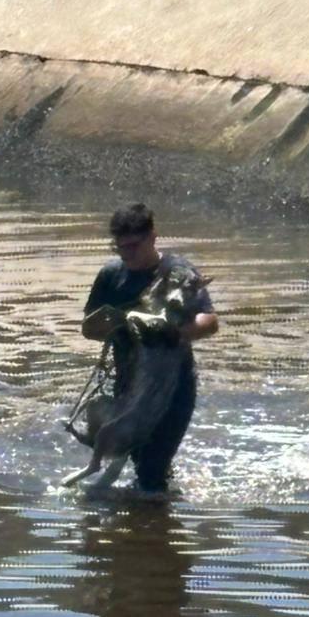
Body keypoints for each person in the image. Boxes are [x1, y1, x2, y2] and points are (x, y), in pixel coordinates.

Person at [82, 203, 218, 493]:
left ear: (153, 236)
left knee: (149, 472)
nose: (127, 254)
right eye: (120, 248)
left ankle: (153, 524)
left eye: (134, 246)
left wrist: (171, 331)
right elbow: (88, 328)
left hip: (173, 387)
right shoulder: (111, 276)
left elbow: (209, 322)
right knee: (137, 456)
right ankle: (154, 511)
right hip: (128, 383)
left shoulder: (177, 273)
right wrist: (120, 326)